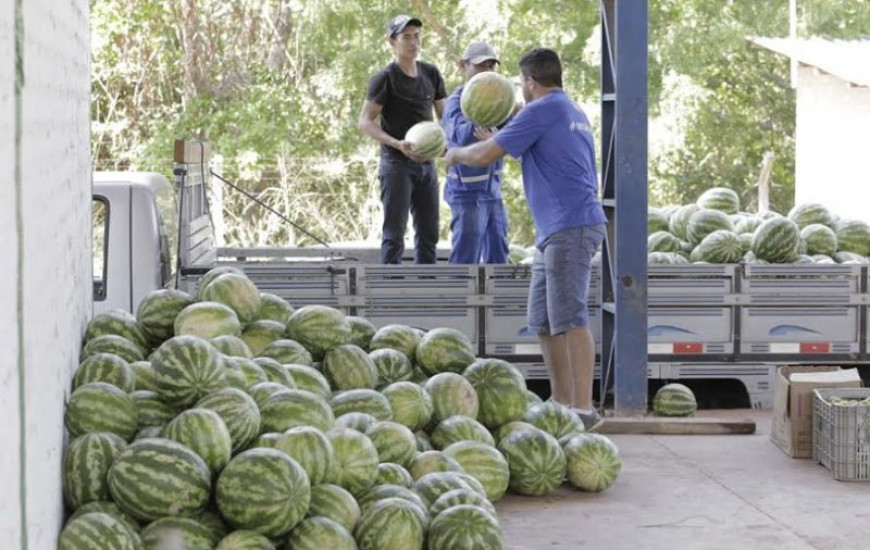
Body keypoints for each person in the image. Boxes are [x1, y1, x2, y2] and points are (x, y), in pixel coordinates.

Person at [445, 48, 607, 431]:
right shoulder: (568, 111)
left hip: (571, 225)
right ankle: (561, 401)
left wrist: (454, 154)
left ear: (530, 82)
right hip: (556, 229)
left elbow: (486, 155)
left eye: (521, 84)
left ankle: (584, 408)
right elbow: (535, 148)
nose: (520, 90)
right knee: (544, 320)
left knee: (570, 317)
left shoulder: (542, 110)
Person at [358, 14, 447, 264]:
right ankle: (387, 296)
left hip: (427, 165)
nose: (413, 42)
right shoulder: (384, 78)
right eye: (406, 37)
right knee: (394, 234)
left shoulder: (431, 73)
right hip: (396, 165)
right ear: (392, 42)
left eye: (417, 36)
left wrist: (445, 146)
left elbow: (445, 116)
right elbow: (365, 122)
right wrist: (398, 144)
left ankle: (426, 291)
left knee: (429, 234)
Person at [442, 41, 510, 264]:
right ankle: (459, 298)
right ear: (463, 65)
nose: (488, 72)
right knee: (466, 259)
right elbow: (462, 135)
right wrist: (484, 121)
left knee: (498, 253)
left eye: (492, 66)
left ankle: (497, 299)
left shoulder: (501, 103)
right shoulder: (456, 102)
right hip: (466, 193)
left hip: (493, 192)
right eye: (481, 66)